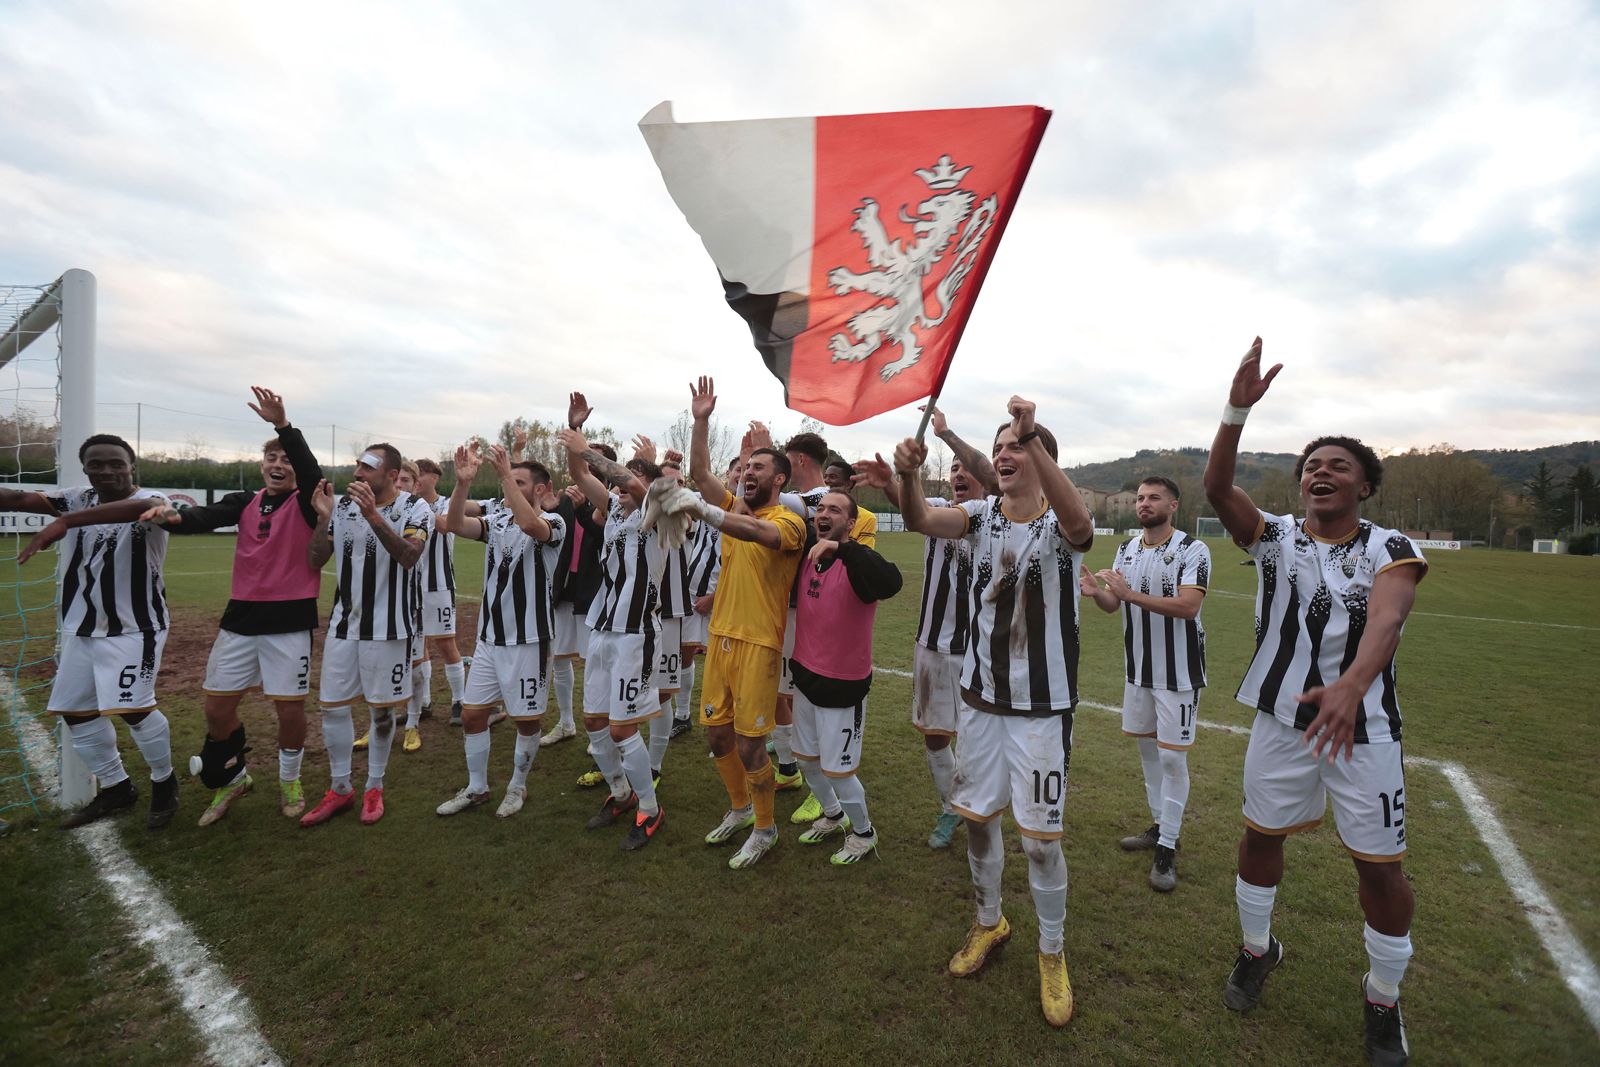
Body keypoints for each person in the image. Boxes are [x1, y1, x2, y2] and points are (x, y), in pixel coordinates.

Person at [1203, 339, 1424, 1067]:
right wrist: (1236, 410)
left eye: (1337, 464)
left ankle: (1383, 999)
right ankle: (1257, 950)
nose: (1318, 472)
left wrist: (1353, 686)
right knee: (1260, 837)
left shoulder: (1388, 544)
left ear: (1364, 485)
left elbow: (1387, 618)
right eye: (1309, 466)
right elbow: (1216, 489)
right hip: (1280, 720)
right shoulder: (1275, 538)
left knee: (1381, 870)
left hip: (1365, 731)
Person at [895, 395, 1095, 1028]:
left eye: (1017, 445)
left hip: (1042, 710)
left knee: (1039, 845)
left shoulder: (1061, 526)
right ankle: (990, 922)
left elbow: (1083, 528)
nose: (1004, 453)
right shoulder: (980, 516)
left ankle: (1053, 952)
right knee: (978, 820)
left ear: (1041, 457)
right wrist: (905, 476)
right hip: (980, 704)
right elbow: (923, 519)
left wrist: (1032, 434)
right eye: (1001, 445)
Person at [138, 387, 323, 823]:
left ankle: (289, 780)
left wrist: (283, 426)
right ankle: (234, 776)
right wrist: (169, 516)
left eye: (287, 461)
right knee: (217, 709)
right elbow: (200, 517)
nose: (279, 466)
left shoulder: (309, 503)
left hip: (289, 620)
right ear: (262, 465)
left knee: (289, 710)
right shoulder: (244, 502)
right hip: (239, 619)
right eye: (271, 459)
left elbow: (313, 474)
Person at [9, 436, 178, 830]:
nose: (106, 470)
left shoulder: (150, 497)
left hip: (135, 625)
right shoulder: (77, 497)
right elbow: (18, 500)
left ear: (131, 465)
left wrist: (65, 522)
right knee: (76, 711)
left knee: (134, 708)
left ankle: (164, 783)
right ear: (84, 468)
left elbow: (144, 509)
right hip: (82, 625)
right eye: (96, 464)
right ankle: (118, 788)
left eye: (116, 463)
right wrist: (65, 514)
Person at [853, 403, 997, 849]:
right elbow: (912, 506)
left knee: (976, 739)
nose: (958, 474)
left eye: (964, 469)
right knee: (936, 738)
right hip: (933, 644)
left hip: (981, 649)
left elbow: (992, 479)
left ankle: (977, 806)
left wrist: (948, 434)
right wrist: (892, 484)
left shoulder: (995, 514)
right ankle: (950, 806)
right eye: (952, 470)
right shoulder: (938, 508)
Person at [679, 377, 805, 869]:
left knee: (754, 744)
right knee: (717, 736)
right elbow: (700, 472)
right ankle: (738, 809)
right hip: (722, 639)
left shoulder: (789, 521)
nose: (747, 472)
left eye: (758, 468)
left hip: (758, 645)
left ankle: (766, 827)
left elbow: (756, 532)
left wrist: (704, 508)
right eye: (745, 466)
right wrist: (702, 420)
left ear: (778, 481)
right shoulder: (732, 505)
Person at [1081, 476, 1210, 891]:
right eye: (1139, 498)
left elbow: (1189, 608)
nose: (1144, 503)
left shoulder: (1193, 549)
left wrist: (1128, 594)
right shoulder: (1127, 548)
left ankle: (1167, 849)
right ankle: (1159, 825)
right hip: (1138, 670)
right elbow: (1113, 604)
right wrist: (1096, 593)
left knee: (1173, 760)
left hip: (1179, 674)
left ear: (1173, 505)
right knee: (1149, 753)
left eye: (1154, 497)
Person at [556, 396, 670, 851]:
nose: (624, 485)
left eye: (633, 478)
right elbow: (582, 476)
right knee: (594, 722)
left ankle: (649, 806)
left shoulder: (659, 510)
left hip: (635, 634)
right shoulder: (618, 510)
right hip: (601, 629)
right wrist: (573, 431)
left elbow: (634, 485)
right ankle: (621, 793)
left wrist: (593, 452)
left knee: (623, 729)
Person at [299, 444, 432, 827]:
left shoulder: (414, 508)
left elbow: (409, 556)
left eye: (367, 467)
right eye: (357, 465)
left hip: (389, 629)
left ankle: (374, 785)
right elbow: (314, 560)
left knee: (381, 710)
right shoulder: (342, 506)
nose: (357, 473)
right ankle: (340, 787)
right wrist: (323, 519)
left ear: (391, 476)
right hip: (344, 625)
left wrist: (373, 515)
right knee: (332, 707)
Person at [435, 444, 566, 819]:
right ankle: (477, 787)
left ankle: (517, 785)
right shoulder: (499, 522)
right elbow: (456, 524)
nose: (512, 486)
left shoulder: (554, 523)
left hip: (529, 641)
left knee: (527, 721)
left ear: (541, 489)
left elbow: (531, 525)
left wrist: (505, 474)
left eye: (521, 481)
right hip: (490, 640)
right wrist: (462, 484)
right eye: (512, 480)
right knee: (473, 716)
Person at [788, 490, 902, 864]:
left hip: (842, 685)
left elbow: (891, 581)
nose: (824, 514)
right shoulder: (806, 555)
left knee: (838, 770)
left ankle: (864, 832)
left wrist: (843, 550)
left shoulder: (857, 563)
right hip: (804, 676)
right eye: (820, 508)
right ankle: (833, 815)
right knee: (805, 760)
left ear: (851, 523)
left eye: (835, 510)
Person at [414, 457, 469, 727]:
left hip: (439, 584)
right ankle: (423, 703)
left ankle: (459, 701)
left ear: (433, 477)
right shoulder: (408, 505)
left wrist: (419, 507)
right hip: (411, 586)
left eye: (419, 475)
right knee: (418, 646)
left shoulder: (446, 503)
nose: (414, 481)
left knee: (446, 644)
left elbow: (446, 525)